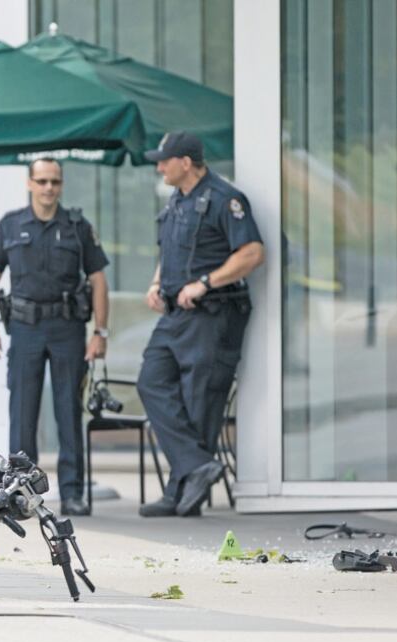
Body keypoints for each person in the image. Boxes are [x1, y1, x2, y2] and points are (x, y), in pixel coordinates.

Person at [136, 131, 265, 518]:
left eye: (164, 160)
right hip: (175, 313)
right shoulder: (177, 201)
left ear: (186, 163)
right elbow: (170, 251)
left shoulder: (226, 199)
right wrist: (158, 283)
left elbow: (253, 253)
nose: (159, 166)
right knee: (151, 381)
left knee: (198, 401)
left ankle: (182, 493)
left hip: (213, 313)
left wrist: (205, 283)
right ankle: (197, 466)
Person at [0, 158, 110, 516]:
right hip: (25, 328)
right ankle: (21, 492)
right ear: (30, 184)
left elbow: (99, 280)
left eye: (54, 181)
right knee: (22, 410)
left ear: (61, 185)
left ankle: (72, 492)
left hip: (68, 328)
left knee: (68, 409)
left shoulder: (77, 227)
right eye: (42, 181)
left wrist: (100, 332)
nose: (48, 187)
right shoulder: (10, 225)